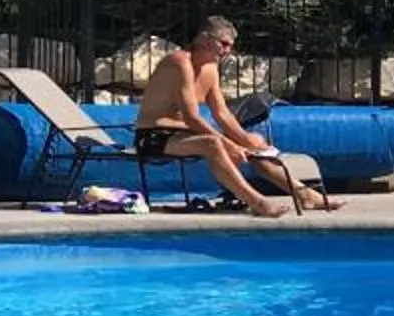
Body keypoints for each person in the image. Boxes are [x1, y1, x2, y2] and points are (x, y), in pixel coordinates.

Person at [134, 17, 341, 218]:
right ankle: (257, 202)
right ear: (205, 39)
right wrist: (228, 144)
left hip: (184, 134)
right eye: (223, 44)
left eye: (230, 46)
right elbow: (191, 118)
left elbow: (222, 113)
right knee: (213, 143)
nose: (227, 51)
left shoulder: (210, 68)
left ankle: (305, 194)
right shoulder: (180, 62)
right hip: (154, 136)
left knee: (255, 141)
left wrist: (244, 140)